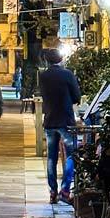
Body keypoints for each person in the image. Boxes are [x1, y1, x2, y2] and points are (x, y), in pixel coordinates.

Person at [38, 48, 81, 205]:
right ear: (60, 59)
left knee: (51, 157)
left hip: (50, 120)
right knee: (71, 155)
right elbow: (76, 96)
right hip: (66, 121)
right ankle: (65, 190)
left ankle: (53, 192)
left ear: (47, 60)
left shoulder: (43, 76)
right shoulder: (67, 74)